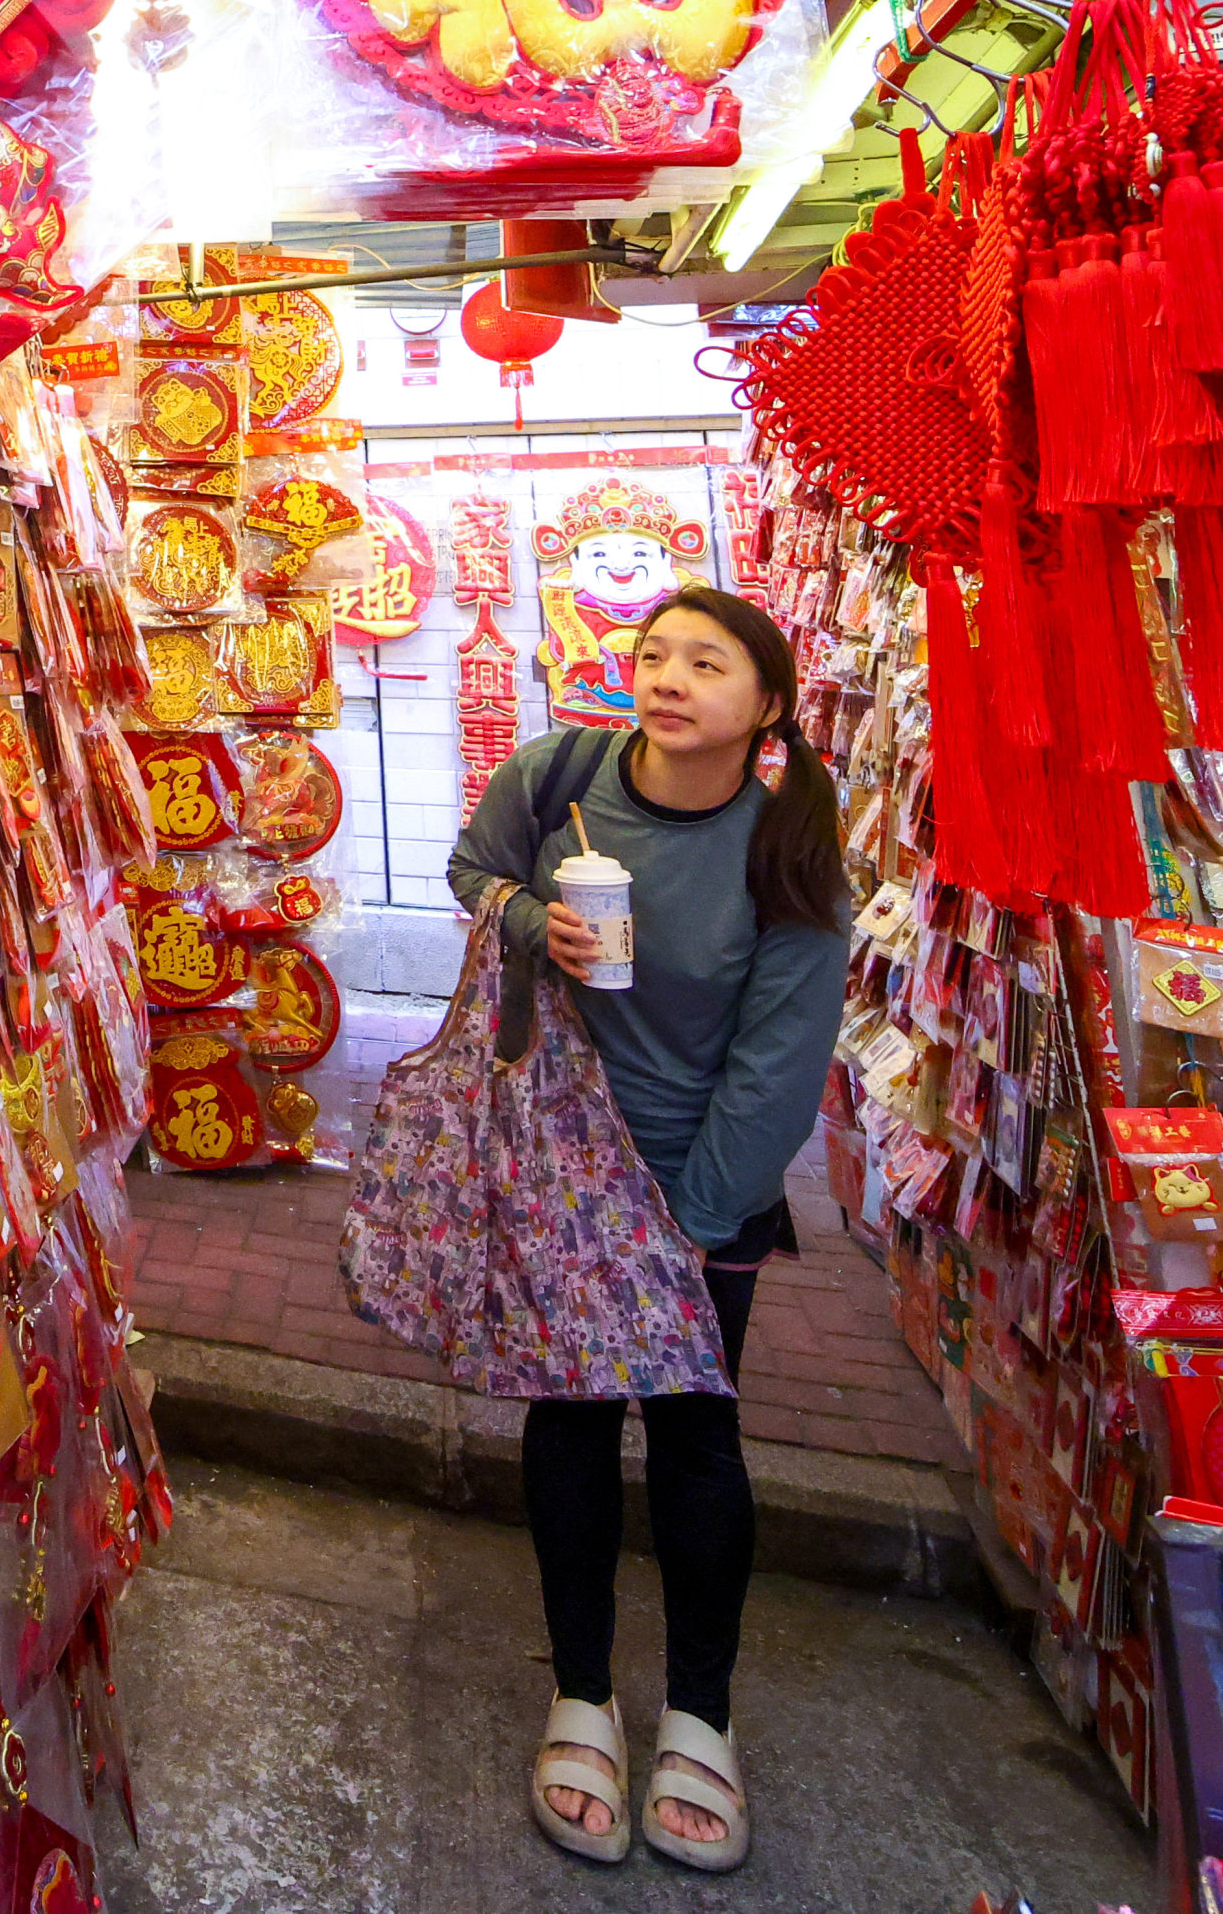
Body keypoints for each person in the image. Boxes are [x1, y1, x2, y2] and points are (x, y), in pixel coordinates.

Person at [444, 585, 850, 1875]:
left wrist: (687, 1220)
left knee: (692, 1434)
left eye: (708, 663)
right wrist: (526, 921)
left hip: (695, 1182)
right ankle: (578, 1693)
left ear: (767, 706)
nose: (669, 678)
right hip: (558, 1160)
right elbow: (473, 866)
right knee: (567, 1422)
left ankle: (701, 1713)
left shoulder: (785, 845)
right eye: (653, 656)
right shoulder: (561, 772)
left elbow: (780, 1061)